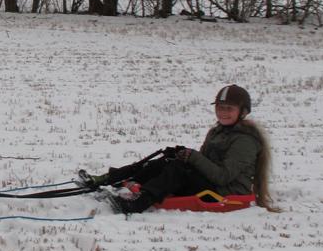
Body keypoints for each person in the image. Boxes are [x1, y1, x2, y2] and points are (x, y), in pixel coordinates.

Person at [80, 84, 273, 215]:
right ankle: (109, 179)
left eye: (229, 109)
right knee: (168, 160)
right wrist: (185, 155)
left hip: (224, 191)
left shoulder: (245, 141)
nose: (223, 112)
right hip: (212, 183)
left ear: (243, 112)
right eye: (220, 108)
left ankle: (138, 203)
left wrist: (193, 158)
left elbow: (223, 176)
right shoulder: (218, 131)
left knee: (178, 170)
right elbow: (205, 162)